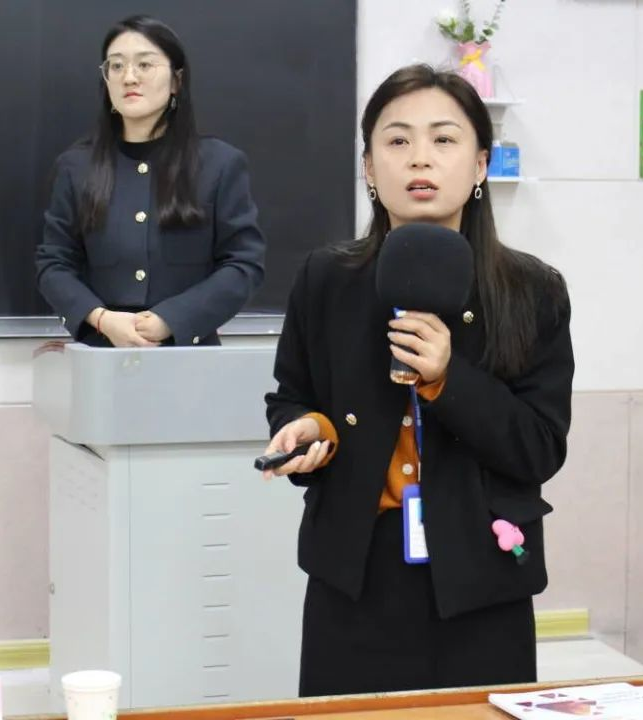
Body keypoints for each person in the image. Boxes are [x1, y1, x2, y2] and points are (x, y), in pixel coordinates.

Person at [262, 64, 575, 696]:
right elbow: (293, 396)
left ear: (481, 165)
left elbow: (539, 447)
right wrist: (307, 429)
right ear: (369, 167)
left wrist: (447, 379)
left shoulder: (532, 290)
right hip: (354, 570)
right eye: (397, 140)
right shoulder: (326, 279)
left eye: (444, 139)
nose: (419, 158)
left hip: (481, 574)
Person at [36, 15, 265, 347]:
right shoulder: (76, 167)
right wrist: (101, 319)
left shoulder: (220, 164)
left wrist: (172, 319)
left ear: (176, 81)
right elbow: (53, 264)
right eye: (116, 66)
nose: (129, 77)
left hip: (189, 355)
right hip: (102, 353)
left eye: (144, 64)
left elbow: (244, 264)